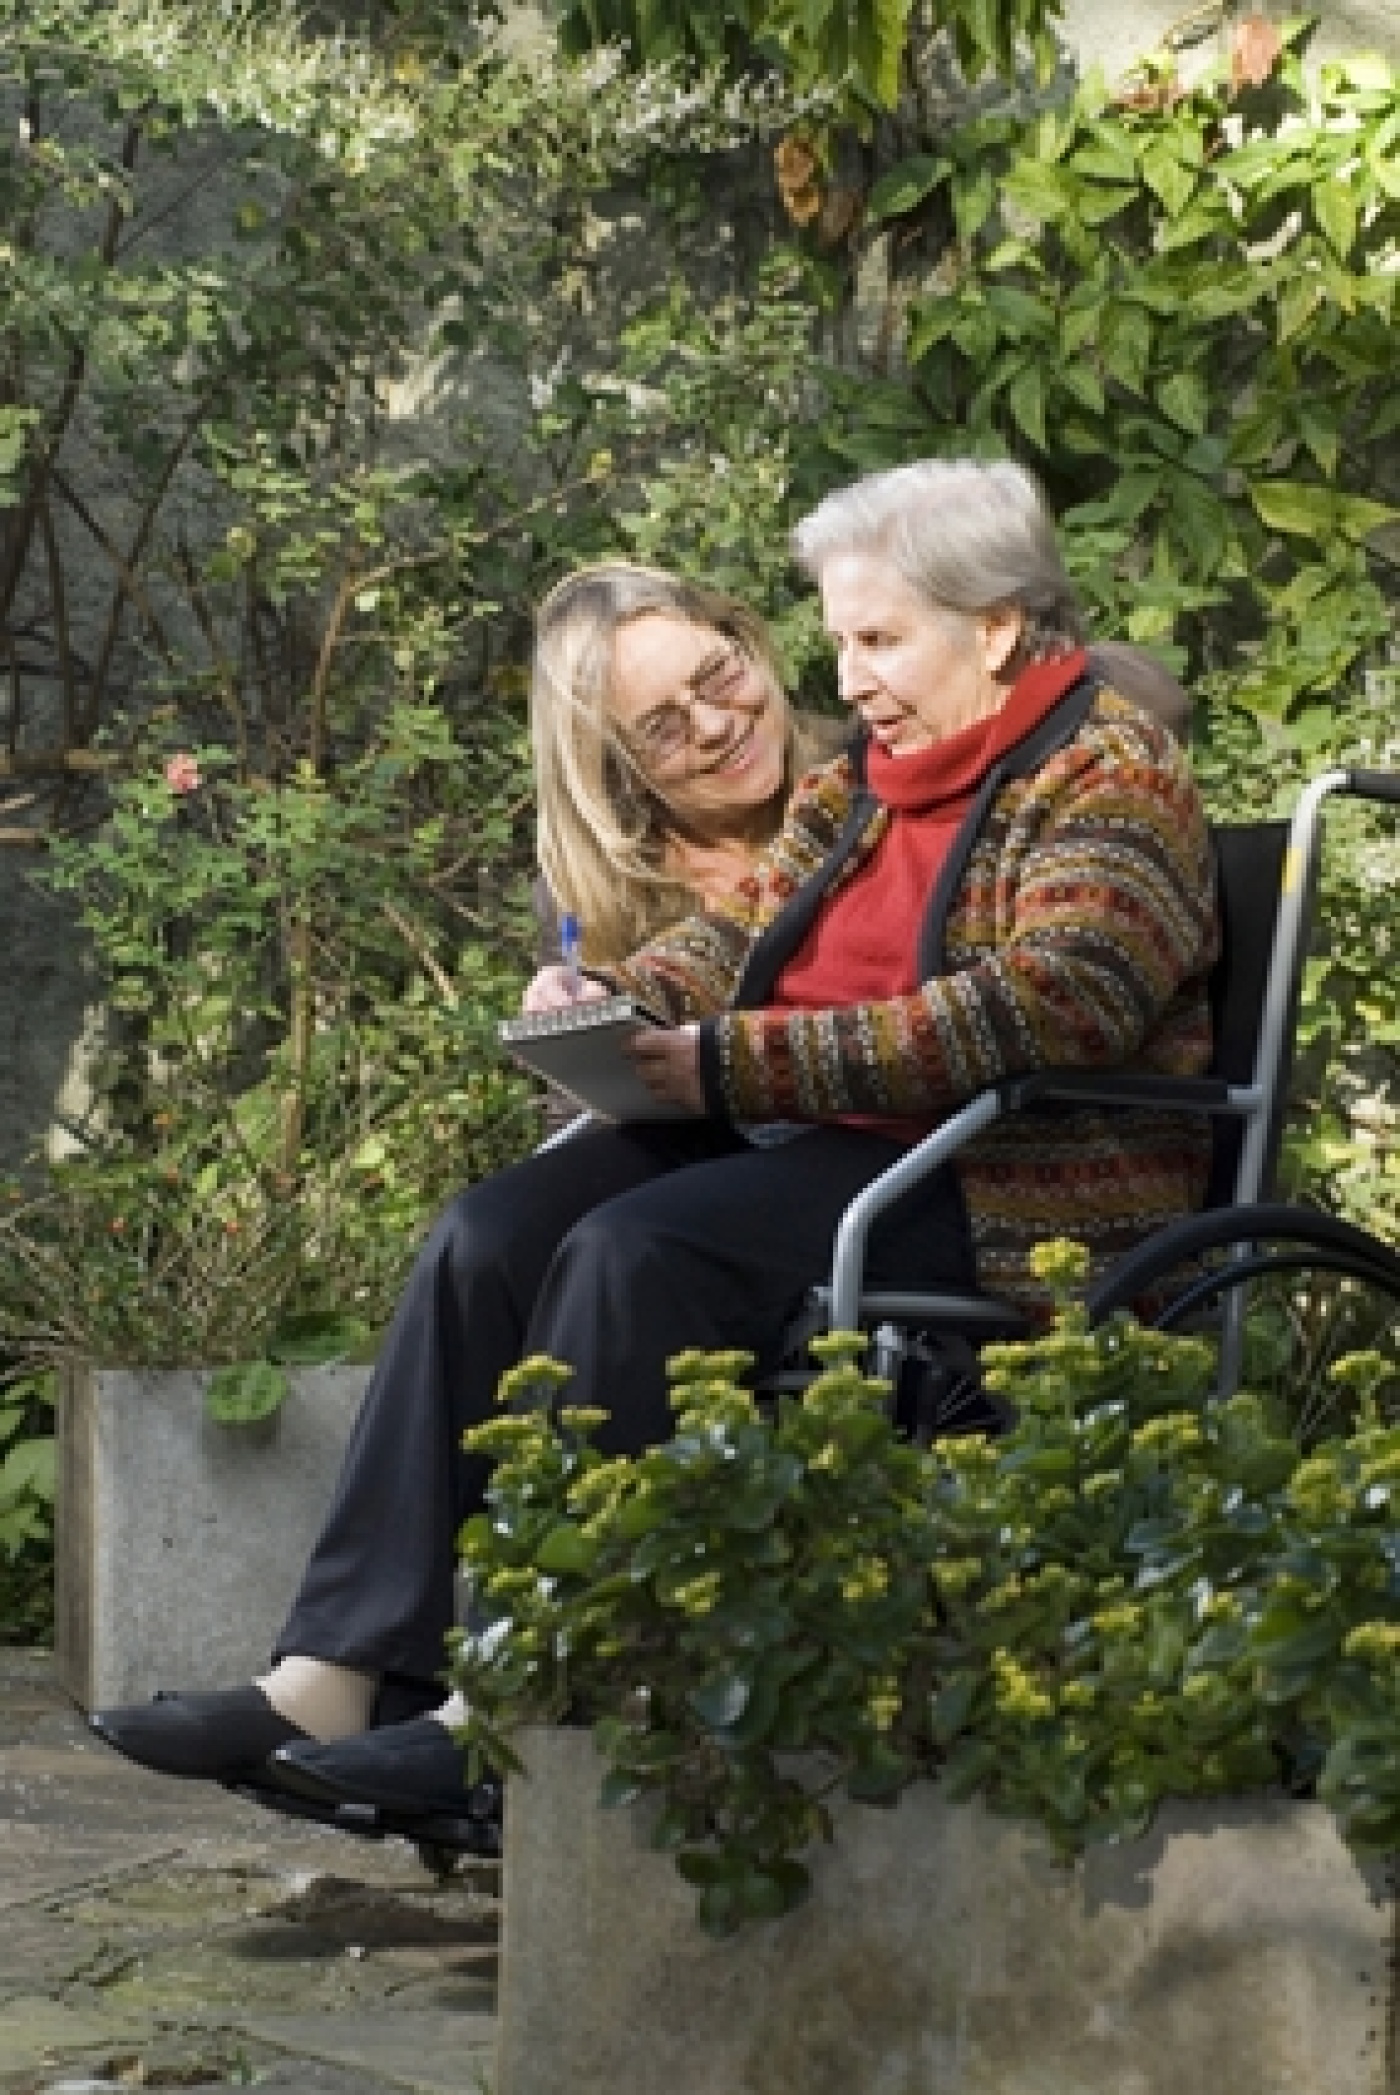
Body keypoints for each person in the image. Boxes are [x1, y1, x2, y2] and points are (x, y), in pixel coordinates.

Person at [88, 471, 1215, 1831]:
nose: (844, 679)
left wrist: (732, 1061)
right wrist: (629, 1006)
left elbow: (1065, 996)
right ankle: (333, 1674)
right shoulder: (865, 783)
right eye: (839, 640)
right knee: (491, 1231)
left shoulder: (1110, 772)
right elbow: (741, 943)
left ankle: (511, 1704)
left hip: (990, 1183)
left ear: (993, 624)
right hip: (820, 1141)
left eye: (877, 640)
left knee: (636, 1250)